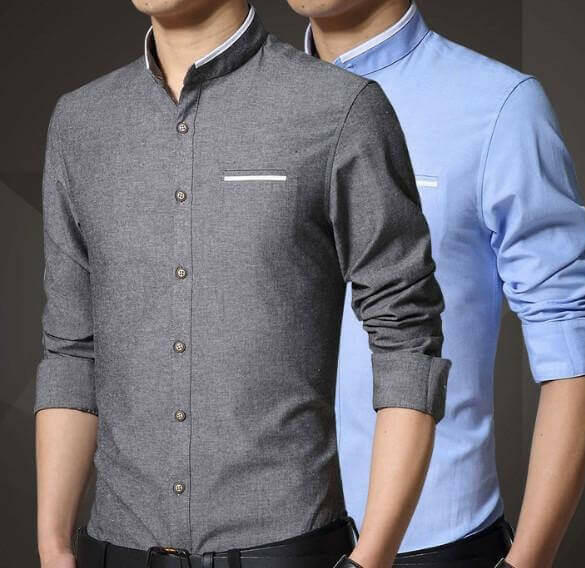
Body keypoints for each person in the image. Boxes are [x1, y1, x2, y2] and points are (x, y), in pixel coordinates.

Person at [33, 1, 451, 567]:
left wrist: (372, 558)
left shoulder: (339, 107)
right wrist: (53, 546)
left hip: (288, 551)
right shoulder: (81, 122)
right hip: (114, 549)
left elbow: (406, 335)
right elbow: (71, 347)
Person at [289, 1, 585, 567]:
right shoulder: (245, 109)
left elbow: (568, 343)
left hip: (434, 548)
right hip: (265, 544)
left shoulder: (499, 106)